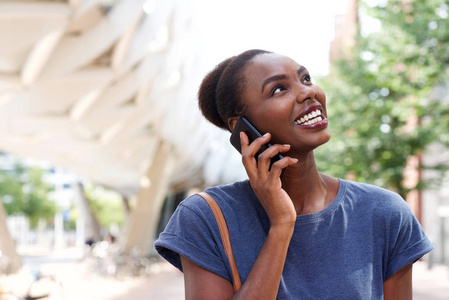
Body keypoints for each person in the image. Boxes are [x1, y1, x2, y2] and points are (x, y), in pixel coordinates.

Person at [154, 49, 433, 299]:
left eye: (306, 78)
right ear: (242, 127)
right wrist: (281, 226)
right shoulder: (204, 218)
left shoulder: (384, 213)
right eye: (278, 89)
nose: (307, 92)